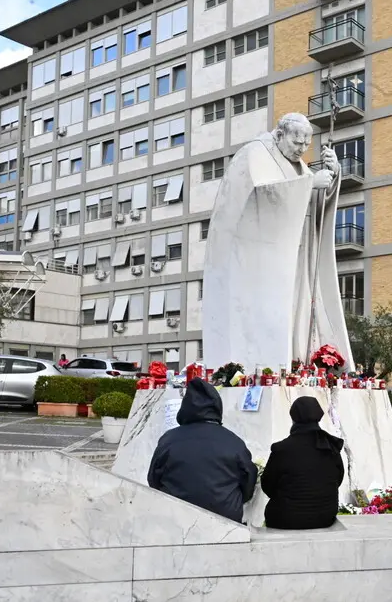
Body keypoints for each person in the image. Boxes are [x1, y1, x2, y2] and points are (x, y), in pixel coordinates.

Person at [203, 112, 354, 371]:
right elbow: (258, 197)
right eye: (297, 144)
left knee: (301, 308)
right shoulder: (254, 154)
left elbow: (313, 203)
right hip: (264, 263)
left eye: (307, 145)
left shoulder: (299, 166)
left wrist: (333, 175)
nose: (302, 150)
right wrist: (308, 184)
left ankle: (299, 359)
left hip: (298, 254)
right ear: (280, 134)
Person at [148, 378, 258, 523]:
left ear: (185, 408)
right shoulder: (233, 442)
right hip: (225, 520)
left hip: (175, 517)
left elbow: (153, 480)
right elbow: (248, 481)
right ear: (217, 408)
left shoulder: (168, 440)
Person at [262, 396, 345, 530]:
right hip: (324, 517)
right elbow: (338, 479)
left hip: (285, 519)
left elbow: (268, 485)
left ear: (293, 418)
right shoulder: (330, 445)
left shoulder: (282, 449)